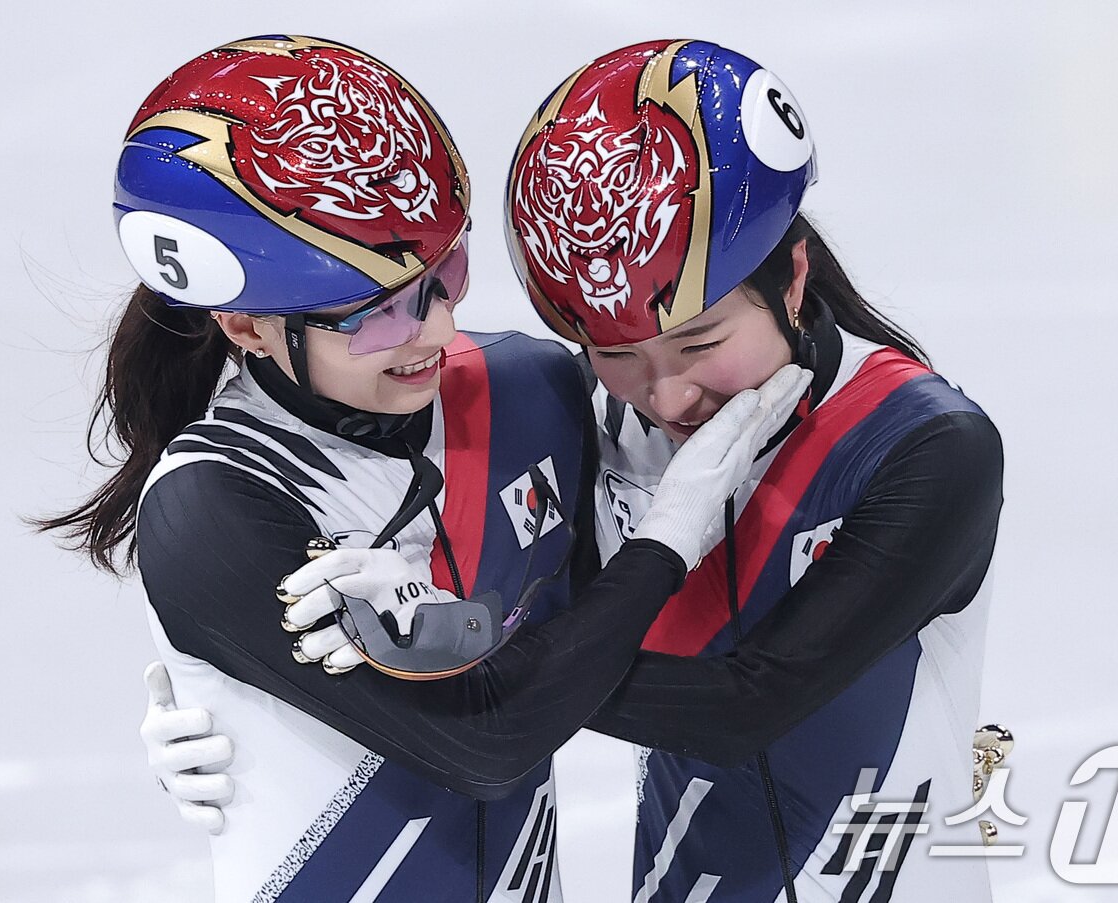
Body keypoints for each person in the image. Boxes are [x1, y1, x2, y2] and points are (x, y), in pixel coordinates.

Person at [143, 39, 1005, 903]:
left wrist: (451, 648)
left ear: (794, 278)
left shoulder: (926, 447)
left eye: (700, 342)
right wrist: (265, 683)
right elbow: (547, 655)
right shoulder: (582, 417)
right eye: (616, 351)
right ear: (245, 326)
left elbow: (744, 702)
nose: (667, 394)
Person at [41, 36, 809, 903]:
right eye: (380, 314)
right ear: (246, 325)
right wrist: (664, 540)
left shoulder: (529, 388)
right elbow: (486, 742)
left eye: (446, 271)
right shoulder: (210, 506)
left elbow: (599, 641)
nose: (438, 329)